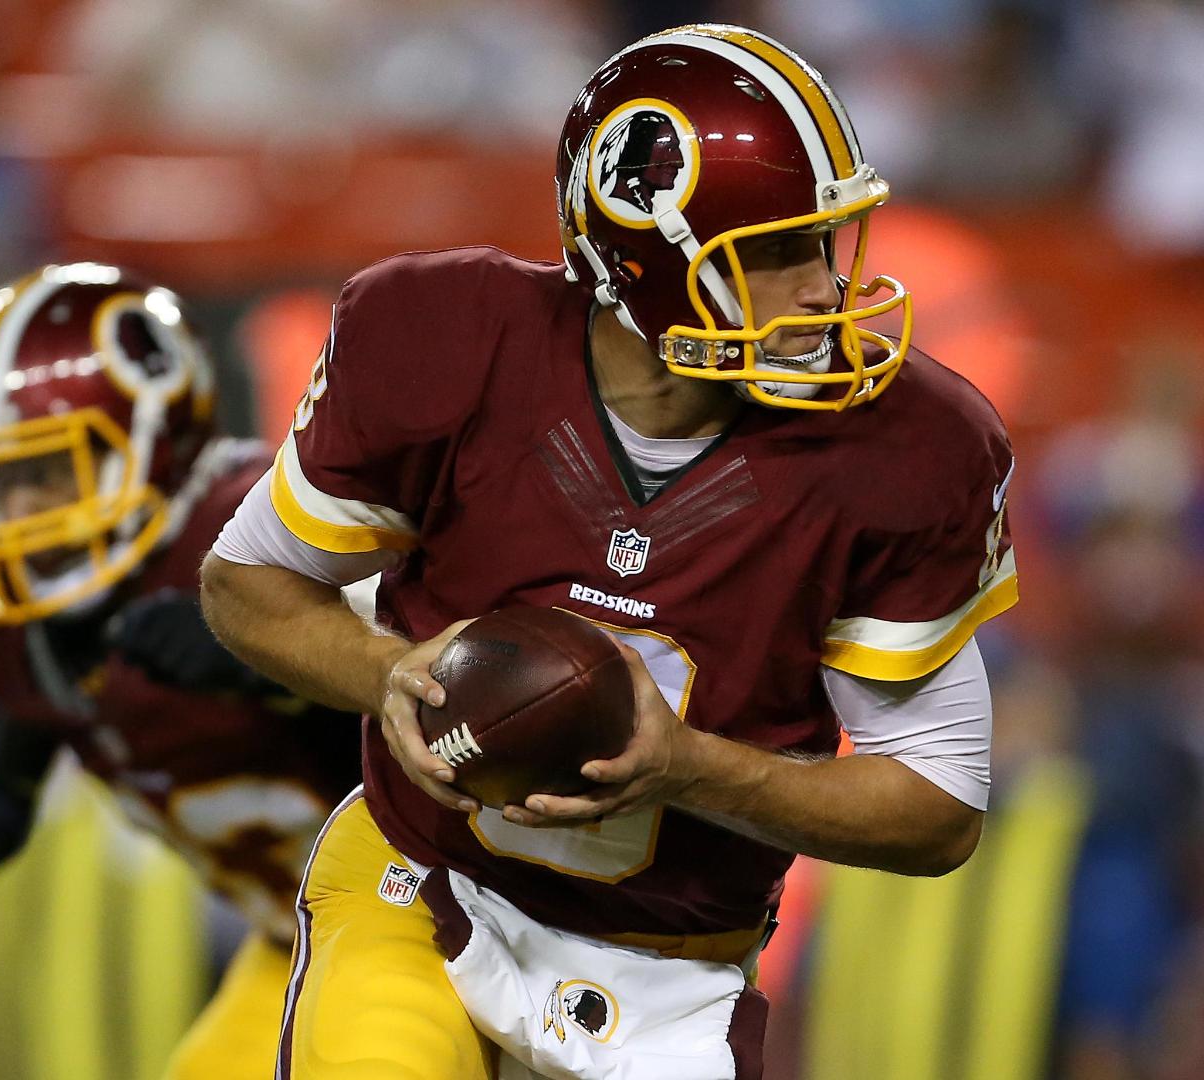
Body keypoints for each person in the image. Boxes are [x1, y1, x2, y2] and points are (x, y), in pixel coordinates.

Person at [200, 24, 1014, 1080]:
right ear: (649, 260)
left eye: (824, 244)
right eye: (773, 252)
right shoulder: (445, 340)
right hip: (423, 888)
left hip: (676, 968)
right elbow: (244, 585)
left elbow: (938, 812)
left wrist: (686, 767)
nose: (822, 289)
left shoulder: (903, 449)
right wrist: (392, 672)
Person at [0, 262, 363, 1080]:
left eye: (45, 474)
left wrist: (277, 648)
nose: (14, 518)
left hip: (465, 931)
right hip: (295, 946)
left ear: (150, 446)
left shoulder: (261, 531)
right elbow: (57, 675)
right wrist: (8, 782)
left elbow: (443, 676)